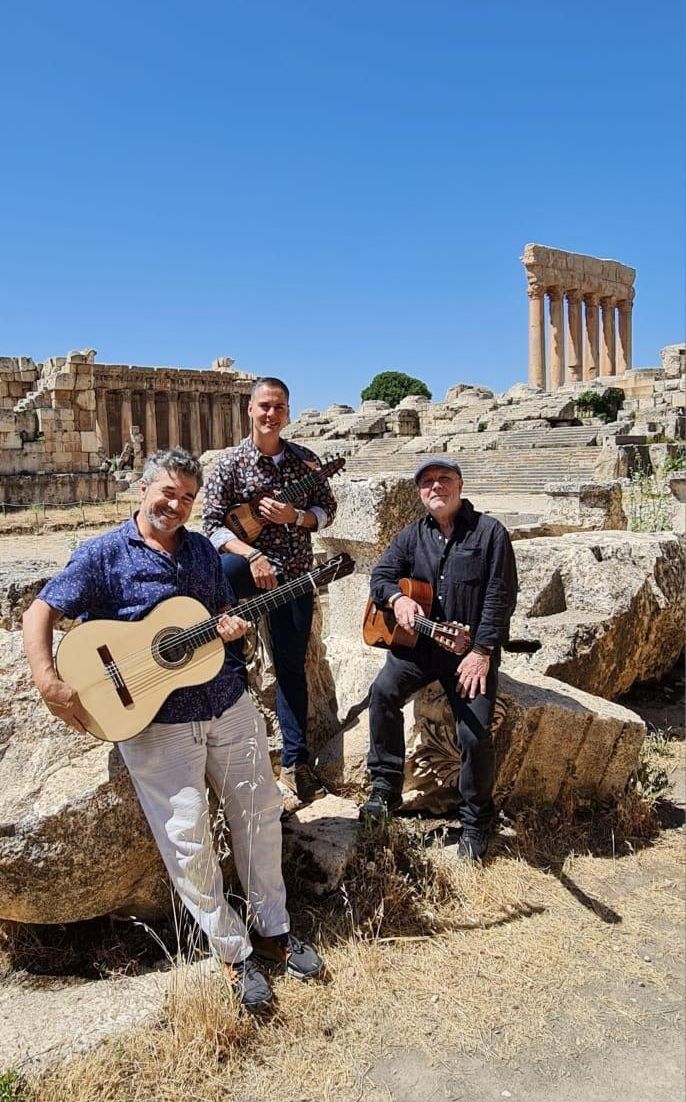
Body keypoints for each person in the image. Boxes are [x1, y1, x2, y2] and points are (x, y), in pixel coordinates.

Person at [22, 447, 324, 1013]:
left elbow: (216, 619)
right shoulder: (103, 554)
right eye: (167, 492)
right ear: (142, 489)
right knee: (187, 840)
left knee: (259, 817)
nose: (176, 505)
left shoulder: (205, 553)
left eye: (188, 497)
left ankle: (276, 930)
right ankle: (234, 954)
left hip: (226, 703)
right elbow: (39, 613)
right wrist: (47, 679)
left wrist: (233, 629)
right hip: (153, 721)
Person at [360, 457, 518, 860]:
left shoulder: (489, 533)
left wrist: (482, 652)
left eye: (443, 479)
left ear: (460, 486)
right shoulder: (413, 535)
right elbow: (380, 577)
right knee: (382, 693)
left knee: (475, 734)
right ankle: (384, 790)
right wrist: (397, 600)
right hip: (419, 649)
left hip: (468, 652)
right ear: (419, 492)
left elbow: (501, 598)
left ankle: (476, 820)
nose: (435, 487)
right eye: (427, 482)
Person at [202, 377, 337, 804]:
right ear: (250, 409)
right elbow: (210, 525)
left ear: (287, 412)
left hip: (294, 573)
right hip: (246, 570)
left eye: (278, 407)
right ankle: (232, 731)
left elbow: (327, 511)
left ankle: (296, 763)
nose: (270, 414)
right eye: (264, 406)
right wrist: (252, 555)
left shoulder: (307, 462)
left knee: (291, 667)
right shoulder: (228, 465)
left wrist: (295, 516)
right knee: (219, 577)